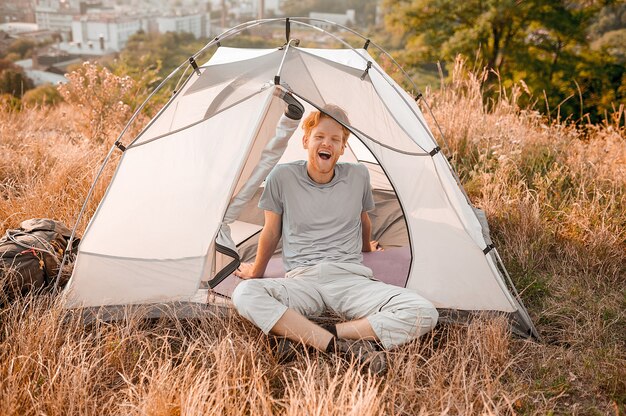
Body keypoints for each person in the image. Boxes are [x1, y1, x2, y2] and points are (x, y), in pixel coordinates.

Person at [232, 97, 438, 374]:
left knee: (424, 311)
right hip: (303, 280)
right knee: (245, 294)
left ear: (342, 148)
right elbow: (271, 230)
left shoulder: (358, 175)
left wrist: (368, 247)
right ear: (306, 141)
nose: (326, 143)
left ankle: (318, 336)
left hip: (350, 280)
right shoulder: (281, 177)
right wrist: (256, 272)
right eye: (319, 136)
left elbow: (363, 218)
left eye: (335, 139)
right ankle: (337, 346)